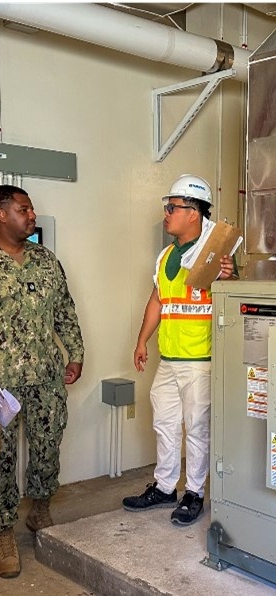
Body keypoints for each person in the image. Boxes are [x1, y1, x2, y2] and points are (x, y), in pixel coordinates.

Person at [0, 184, 84, 579]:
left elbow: (65, 311)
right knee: (0, 460)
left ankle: (40, 508)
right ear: (1, 214)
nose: (32, 215)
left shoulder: (46, 261)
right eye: (25, 209)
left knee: (47, 446)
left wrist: (75, 353)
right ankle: (3, 530)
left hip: (45, 378)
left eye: (32, 209)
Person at [122, 174, 236, 526]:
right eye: (166, 207)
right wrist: (142, 341)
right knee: (165, 425)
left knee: (197, 429)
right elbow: (158, 300)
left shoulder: (215, 255)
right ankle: (166, 486)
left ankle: (195, 494)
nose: (166, 213)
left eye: (173, 207)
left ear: (194, 213)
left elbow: (229, 298)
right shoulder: (166, 256)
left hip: (201, 361)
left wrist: (229, 277)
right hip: (169, 360)